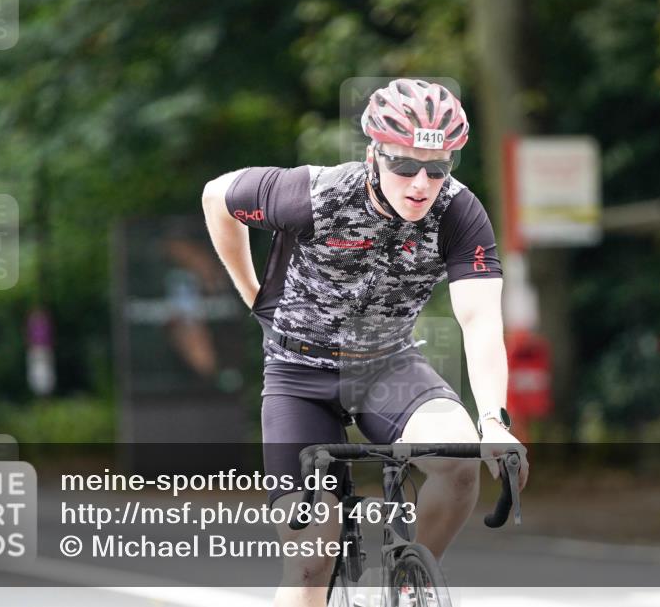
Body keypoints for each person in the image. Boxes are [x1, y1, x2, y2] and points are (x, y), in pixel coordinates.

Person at [202, 79, 529, 607]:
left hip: (388, 368)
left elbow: (480, 319)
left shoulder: (459, 213)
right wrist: (252, 292)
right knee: (311, 562)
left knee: (460, 460)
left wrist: (493, 419)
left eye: (438, 167)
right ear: (375, 154)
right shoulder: (314, 193)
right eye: (405, 165)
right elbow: (215, 196)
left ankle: (409, 584)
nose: (421, 183)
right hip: (297, 376)